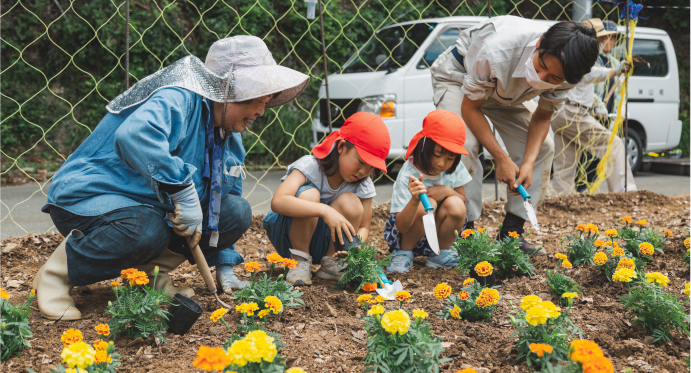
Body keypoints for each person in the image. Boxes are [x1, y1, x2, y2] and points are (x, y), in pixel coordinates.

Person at [35, 36, 309, 320]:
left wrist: (225, 266)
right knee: (147, 228)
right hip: (88, 200)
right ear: (229, 90)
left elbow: (222, 205)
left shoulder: (229, 136)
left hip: (147, 211)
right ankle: (57, 275)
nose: (262, 112)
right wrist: (181, 188)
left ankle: (148, 274)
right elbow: (135, 135)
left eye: (266, 102)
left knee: (235, 212)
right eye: (257, 100)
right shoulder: (180, 97)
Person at [429, 15, 599, 253]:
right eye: (541, 65)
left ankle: (512, 234)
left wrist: (527, 163)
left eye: (553, 78)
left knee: (544, 148)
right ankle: (464, 234)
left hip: (507, 90)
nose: (542, 78)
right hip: (460, 76)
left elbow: (542, 116)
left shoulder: (570, 73)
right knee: (463, 145)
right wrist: (501, 158)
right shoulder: (497, 49)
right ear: (539, 43)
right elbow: (471, 108)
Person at [263, 112, 390, 286]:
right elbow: (278, 202)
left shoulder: (363, 184)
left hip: (330, 244)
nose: (363, 172)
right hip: (289, 236)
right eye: (361, 162)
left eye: (371, 168)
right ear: (341, 147)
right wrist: (325, 210)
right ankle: (299, 261)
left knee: (352, 203)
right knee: (309, 194)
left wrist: (356, 247)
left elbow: (364, 226)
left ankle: (331, 264)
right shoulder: (310, 166)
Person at [551, 18, 636, 194]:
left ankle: (559, 202)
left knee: (565, 163)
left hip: (561, 111)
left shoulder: (570, 50)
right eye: (602, 38)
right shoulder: (581, 54)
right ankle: (624, 192)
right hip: (573, 112)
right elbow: (590, 74)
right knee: (614, 144)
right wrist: (616, 70)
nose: (604, 42)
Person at [384, 110, 471, 273]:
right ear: (425, 145)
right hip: (409, 234)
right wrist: (415, 200)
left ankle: (441, 254)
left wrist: (447, 191)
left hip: (438, 232)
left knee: (456, 204)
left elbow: (462, 199)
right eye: (437, 154)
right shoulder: (409, 174)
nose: (441, 163)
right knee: (427, 204)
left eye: (450, 158)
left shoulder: (455, 168)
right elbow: (401, 226)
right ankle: (403, 253)